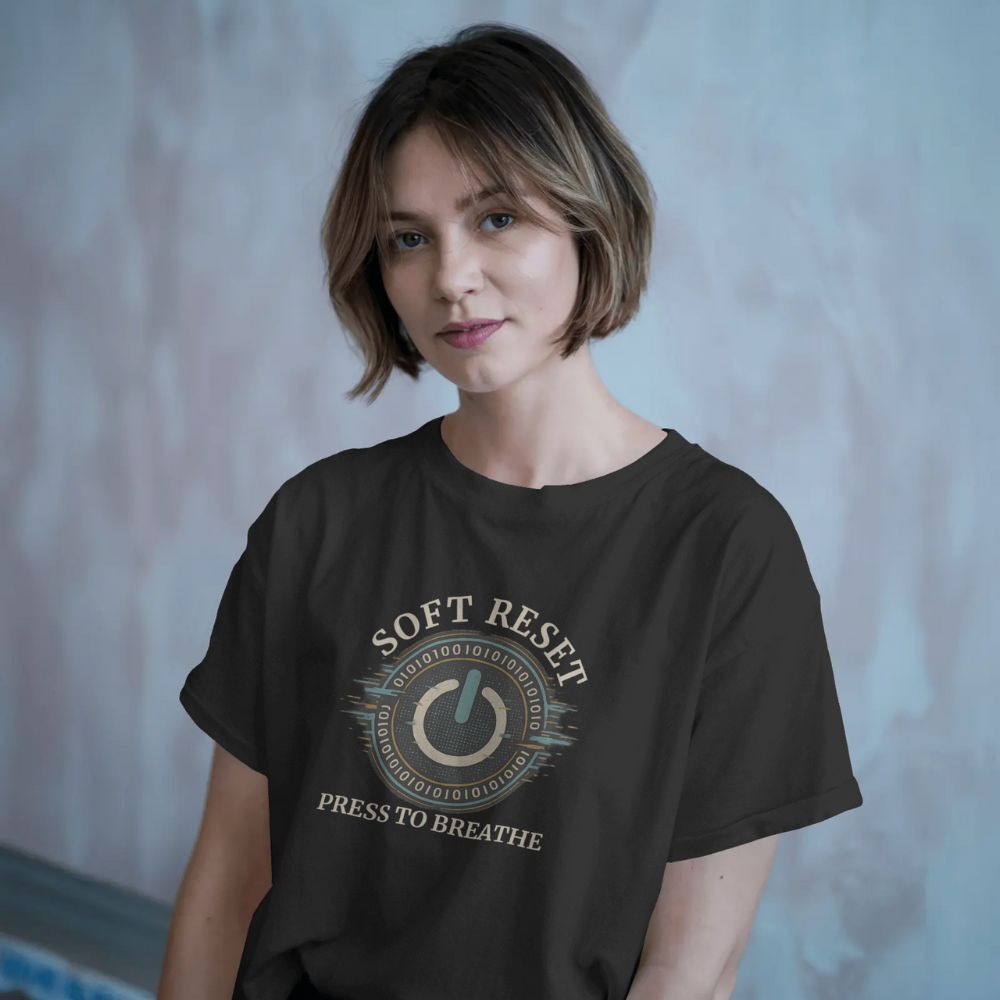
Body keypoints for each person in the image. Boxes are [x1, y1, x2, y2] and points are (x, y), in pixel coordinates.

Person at [160, 21, 863, 1000]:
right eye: (409, 237)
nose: (450, 276)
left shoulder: (725, 548)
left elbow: (688, 970)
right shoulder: (316, 520)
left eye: (496, 218)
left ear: (587, 217)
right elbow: (227, 883)